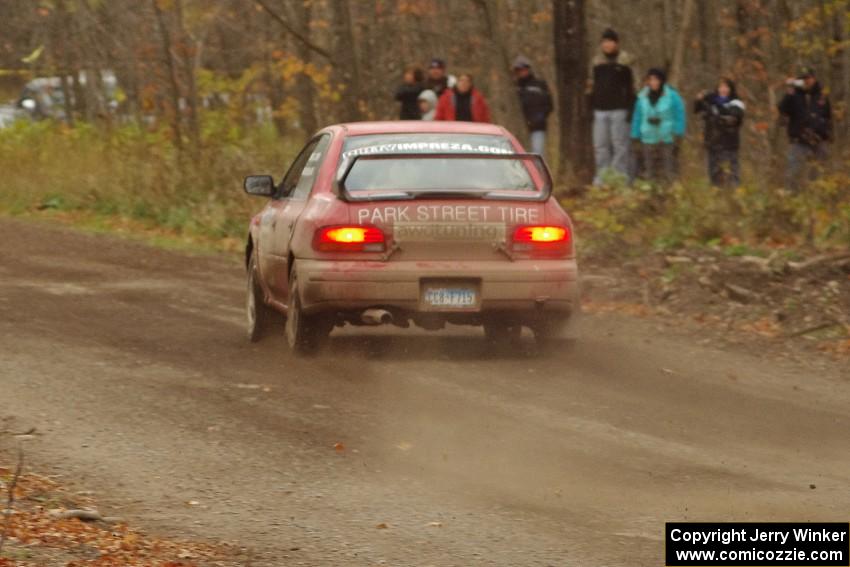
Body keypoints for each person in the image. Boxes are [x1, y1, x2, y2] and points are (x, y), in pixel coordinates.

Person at [588, 28, 637, 185]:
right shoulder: (596, 62)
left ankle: (619, 178)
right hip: (600, 110)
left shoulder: (625, 61)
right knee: (601, 145)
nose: (607, 45)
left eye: (610, 41)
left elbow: (632, 87)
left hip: (619, 109)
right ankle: (602, 178)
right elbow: (590, 86)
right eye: (605, 42)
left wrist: (631, 107)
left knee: (620, 145)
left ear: (616, 43)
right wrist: (589, 105)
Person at [778, 66, 832, 191]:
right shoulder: (794, 95)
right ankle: (791, 199)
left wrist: (828, 135)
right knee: (793, 173)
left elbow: (828, 116)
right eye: (803, 79)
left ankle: (815, 198)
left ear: (814, 78)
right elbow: (782, 109)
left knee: (818, 175)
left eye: (809, 78)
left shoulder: (822, 95)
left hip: (819, 140)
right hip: (799, 139)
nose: (807, 81)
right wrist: (789, 92)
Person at [630, 68, 686, 184]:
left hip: (667, 137)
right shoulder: (641, 96)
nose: (653, 82)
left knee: (669, 169)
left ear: (662, 81)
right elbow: (637, 116)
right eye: (651, 79)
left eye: (656, 79)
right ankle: (649, 196)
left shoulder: (672, 96)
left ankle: (671, 195)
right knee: (648, 170)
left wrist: (678, 132)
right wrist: (635, 134)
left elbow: (679, 114)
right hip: (647, 137)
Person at [694, 78, 745, 188]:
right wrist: (700, 99)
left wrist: (716, 109)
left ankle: (733, 196)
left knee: (730, 173)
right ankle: (716, 195)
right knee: (713, 172)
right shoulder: (711, 101)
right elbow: (696, 109)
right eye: (721, 87)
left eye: (726, 87)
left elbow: (734, 116)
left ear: (731, 89)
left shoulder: (736, 102)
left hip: (729, 144)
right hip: (712, 142)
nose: (723, 89)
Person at [512, 55, 553, 155]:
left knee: (537, 153)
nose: (522, 72)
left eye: (524, 69)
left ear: (528, 69)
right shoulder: (514, 87)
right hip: (519, 127)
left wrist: (540, 117)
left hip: (537, 126)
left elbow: (549, 104)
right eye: (519, 70)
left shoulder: (540, 84)